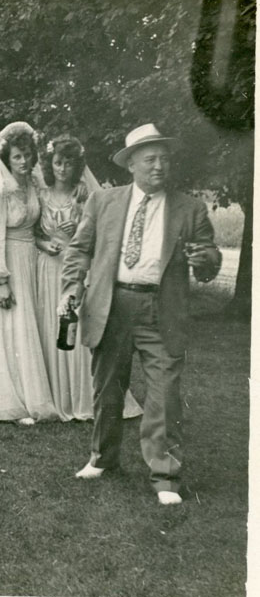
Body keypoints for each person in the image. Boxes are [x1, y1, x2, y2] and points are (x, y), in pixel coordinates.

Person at [60, 124, 221, 505]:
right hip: (111, 305)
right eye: (150, 159)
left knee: (164, 394)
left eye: (165, 159)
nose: (159, 166)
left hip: (162, 309)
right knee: (108, 388)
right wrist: (71, 287)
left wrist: (206, 260)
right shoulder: (103, 202)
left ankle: (165, 477)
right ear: (131, 164)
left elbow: (210, 255)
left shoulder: (189, 208)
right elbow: (79, 249)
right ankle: (102, 458)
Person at [35, 135, 143, 421]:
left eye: (69, 163)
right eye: (58, 162)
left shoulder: (85, 194)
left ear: (77, 166)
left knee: (77, 326)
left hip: (75, 267)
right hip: (48, 267)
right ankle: (57, 396)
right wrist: (47, 244)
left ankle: (84, 397)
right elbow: (35, 234)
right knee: (51, 326)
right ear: (50, 164)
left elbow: (96, 232)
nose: (62, 169)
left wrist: (77, 227)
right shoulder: (41, 194)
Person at [0, 122, 57, 425]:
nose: (23, 162)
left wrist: (45, 243)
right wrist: (1, 281)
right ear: (6, 160)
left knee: (29, 328)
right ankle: (12, 404)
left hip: (31, 261)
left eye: (27, 156)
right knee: (11, 329)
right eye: (17, 158)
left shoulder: (32, 187)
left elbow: (33, 228)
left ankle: (34, 395)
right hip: (7, 265)